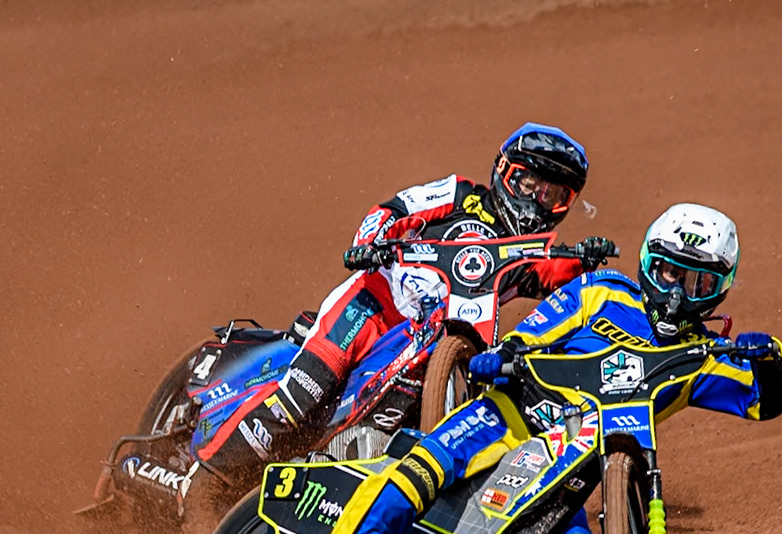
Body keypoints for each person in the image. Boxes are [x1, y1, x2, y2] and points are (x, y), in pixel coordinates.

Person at [279, 203, 782, 534]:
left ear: (721, 288)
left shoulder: (703, 357)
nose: (678, 292)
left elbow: (765, 400)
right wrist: (503, 355)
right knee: (409, 481)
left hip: (567, 475)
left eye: (698, 283)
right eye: (668, 273)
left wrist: (770, 358)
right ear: (646, 263)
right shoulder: (603, 291)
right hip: (507, 421)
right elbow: (530, 334)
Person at [193, 123, 610, 489]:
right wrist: (369, 243)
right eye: (528, 184)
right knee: (301, 396)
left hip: (432, 346)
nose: (536, 200)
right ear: (505, 174)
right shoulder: (461, 194)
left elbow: (560, 276)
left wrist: (588, 262)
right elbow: (398, 209)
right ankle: (207, 480)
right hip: (372, 306)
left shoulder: (527, 256)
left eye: (552, 195)